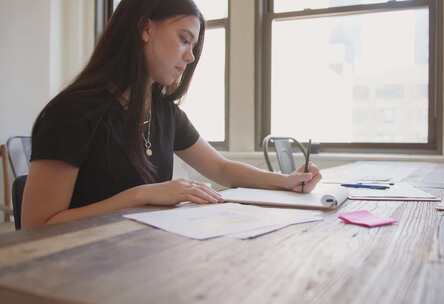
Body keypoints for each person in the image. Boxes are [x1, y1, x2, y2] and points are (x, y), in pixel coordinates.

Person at [22, 0, 321, 229]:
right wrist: (138, 196)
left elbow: (222, 169)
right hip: (78, 271)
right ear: (145, 29)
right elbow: (37, 225)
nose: (190, 57)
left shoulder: (164, 113)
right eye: (184, 39)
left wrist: (285, 181)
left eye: (193, 46)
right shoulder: (72, 112)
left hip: (138, 259)